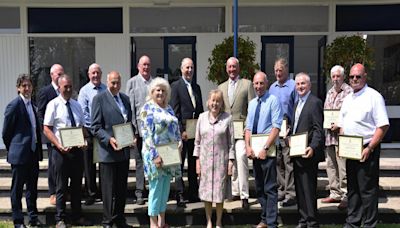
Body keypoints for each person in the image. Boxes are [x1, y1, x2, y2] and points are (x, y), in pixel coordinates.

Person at [339, 63, 389, 228]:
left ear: (365, 76)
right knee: (352, 189)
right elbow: (342, 124)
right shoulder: (347, 99)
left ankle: (369, 224)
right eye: (352, 77)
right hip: (350, 149)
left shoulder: (374, 97)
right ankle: (353, 222)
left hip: (367, 148)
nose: (354, 79)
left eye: (358, 76)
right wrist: (342, 144)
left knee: (367, 191)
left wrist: (369, 148)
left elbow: (382, 126)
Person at [43, 74, 91, 228]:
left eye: (70, 86)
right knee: (61, 187)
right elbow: (46, 129)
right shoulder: (53, 104)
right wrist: (58, 144)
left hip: (76, 152)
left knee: (77, 186)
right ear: (60, 87)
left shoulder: (76, 105)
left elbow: (82, 128)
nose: (69, 89)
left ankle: (76, 216)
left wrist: (84, 140)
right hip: (60, 152)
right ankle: (60, 219)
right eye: (66, 87)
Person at [91, 71, 134, 228]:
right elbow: (95, 127)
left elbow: (128, 123)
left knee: (121, 188)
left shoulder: (125, 99)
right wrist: (109, 139)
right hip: (108, 152)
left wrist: (132, 136)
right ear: (107, 82)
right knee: (108, 190)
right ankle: (107, 221)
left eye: (118, 82)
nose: (115, 85)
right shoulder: (99, 99)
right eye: (112, 83)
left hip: (123, 151)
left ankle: (120, 219)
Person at [140, 77, 182, 228]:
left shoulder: (169, 108)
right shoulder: (147, 109)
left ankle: (162, 221)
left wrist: (179, 142)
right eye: (157, 90)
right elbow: (146, 135)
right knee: (156, 188)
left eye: (163, 90)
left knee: (165, 188)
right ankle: (152, 223)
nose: (160, 93)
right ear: (152, 92)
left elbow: (175, 129)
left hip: (169, 155)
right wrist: (154, 155)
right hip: (155, 155)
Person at [2, 74, 43, 228]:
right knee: (17, 190)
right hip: (19, 156)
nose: (27, 89)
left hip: (33, 154)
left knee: (32, 189)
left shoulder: (33, 106)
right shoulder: (14, 105)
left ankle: (33, 218)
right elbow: (6, 132)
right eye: (24, 86)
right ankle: (18, 221)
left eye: (29, 86)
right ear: (18, 88)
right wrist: (13, 148)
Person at [245, 72, 282, 228]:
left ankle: (272, 223)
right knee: (259, 188)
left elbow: (276, 127)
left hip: (268, 151)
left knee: (270, 188)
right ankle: (265, 219)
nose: (258, 86)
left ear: (266, 84)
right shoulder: (252, 103)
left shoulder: (273, 101)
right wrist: (247, 146)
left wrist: (265, 148)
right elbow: (247, 128)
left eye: (261, 83)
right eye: (256, 83)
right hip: (254, 152)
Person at [218, 57, 255, 210]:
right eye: (229, 67)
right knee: (230, 161)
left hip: (242, 131)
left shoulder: (247, 84)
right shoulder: (221, 87)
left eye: (234, 67)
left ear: (238, 68)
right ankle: (234, 191)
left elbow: (252, 108)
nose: (232, 69)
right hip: (226, 131)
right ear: (226, 69)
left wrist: (250, 129)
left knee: (241, 157)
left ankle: (245, 195)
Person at [194, 89, 235, 228]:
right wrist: (197, 162)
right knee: (206, 193)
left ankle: (218, 221)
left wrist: (230, 162)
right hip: (205, 161)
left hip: (220, 162)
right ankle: (209, 221)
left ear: (221, 103)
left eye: (218, 101)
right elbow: (197, 142)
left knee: (219, 193)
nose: (215, 103)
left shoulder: (227, 118)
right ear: (208, 102)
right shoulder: (201, 117)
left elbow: (231, 143)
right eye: (213, 100)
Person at [291, 72, 324, 228]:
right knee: (300, 189)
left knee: (309, 190)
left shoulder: (315, 102)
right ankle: (303, 219)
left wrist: (313, 147)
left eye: (303, 83)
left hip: (308, 154)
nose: (300, 87)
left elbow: (318, 130)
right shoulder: (297, 103)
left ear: (309, 85)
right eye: (297, 84)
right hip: (297, 153)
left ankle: (312, 222)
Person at [170, 57, 204, 206]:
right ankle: (180, 194)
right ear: (181, 69)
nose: (189, 70)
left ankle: (193, 193)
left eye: (191, 67)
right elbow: (174, 111)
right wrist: (181, 130)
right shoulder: (175, 86)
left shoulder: (197, 87)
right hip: (182, 132)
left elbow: (201, 111)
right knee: (179, 164)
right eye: (187, 68)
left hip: (195, 131)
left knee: (192, 162)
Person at [321, 65, 352, 210]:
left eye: (338, 76)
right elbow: (326, 112)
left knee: (343, 167)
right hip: (329, 136)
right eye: (333, 76)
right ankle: (335, 193)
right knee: (331, 166)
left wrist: (339, 125)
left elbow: (351, 114)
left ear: (343, 77)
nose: (335, 79)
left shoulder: (349, 92)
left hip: (342, 136)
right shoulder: (329, 92)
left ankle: (346, 195)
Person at [268, 58, 297, 207]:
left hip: (288, 129)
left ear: (286, 70)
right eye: (276, 70)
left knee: (288, 161)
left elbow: (297, 108)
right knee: (278, 160)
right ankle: (281, 189)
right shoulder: (272, 87)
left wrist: (292, 129)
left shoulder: (293, 86)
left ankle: (291, 193)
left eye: (281, 70)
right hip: (275, 129)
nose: (278, 73)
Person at [126, 55, 153, 205]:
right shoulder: (132, 83)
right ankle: (139, 192)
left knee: (153, 162)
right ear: (138, 66)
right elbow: (130, 109)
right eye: (143, 65)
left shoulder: (155, 83)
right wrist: (133, 132)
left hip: (153, 132)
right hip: (139, 132)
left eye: (148, 65)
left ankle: (152, 191)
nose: (146, 67)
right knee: (140, 162)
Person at [77, 63, 106, 205]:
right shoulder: (84, 91)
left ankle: (104, 191)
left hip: (103, 130)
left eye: (97, 73)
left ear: (101, 74)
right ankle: (91, 193)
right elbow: (82, 113)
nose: (95, 75)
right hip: (89, 130)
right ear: (89, 75)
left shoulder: (106, 89)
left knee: (104, 162)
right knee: (89, 165)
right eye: (93, 73)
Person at [37, 63, 64, 205]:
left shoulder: (64, 90)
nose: (60, 76)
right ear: (52, 75)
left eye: (62, 73)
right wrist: (48, 130)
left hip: (64, 136)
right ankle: (53, 192)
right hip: (51, 135)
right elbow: (40, 114)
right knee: (53, 165)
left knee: (63, 166)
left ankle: (63, 191)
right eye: (58, 74)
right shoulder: (45, 92)